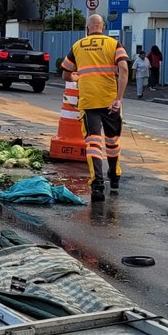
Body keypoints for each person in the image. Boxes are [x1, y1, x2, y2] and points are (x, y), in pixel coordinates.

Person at [61, 14, 130, 202]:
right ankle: (114, 176)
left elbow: (66, 74)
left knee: (93, 143)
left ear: (87, 27)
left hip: (89, 102)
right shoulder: (114, 44)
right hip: (110, 101)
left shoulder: (78, 46)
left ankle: (97, 185)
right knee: (112, 141)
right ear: (103, 26)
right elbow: (124, 69)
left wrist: (77, 77)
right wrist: (119, 99)